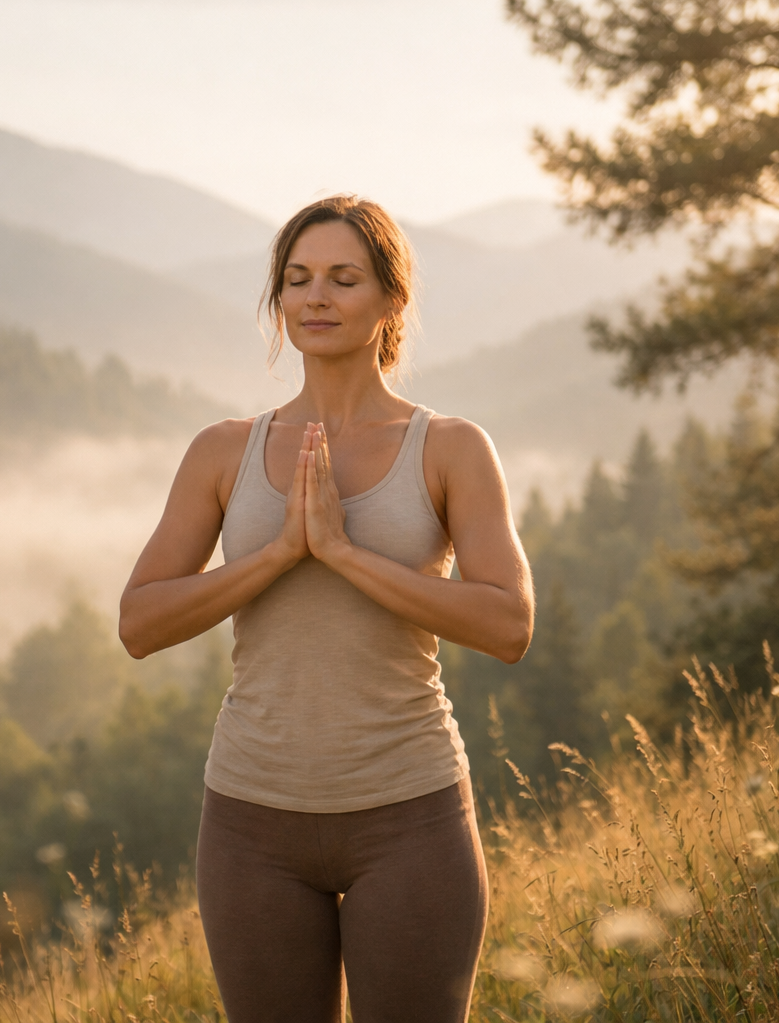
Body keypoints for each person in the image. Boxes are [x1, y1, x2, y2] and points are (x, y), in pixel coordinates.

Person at [119, 194, 534, 1023]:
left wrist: (344, 554)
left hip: (409, 812)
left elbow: (508, 624)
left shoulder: (449, 446)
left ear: (390, 301)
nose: (317, 298)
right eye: (298, 279)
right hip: (250, 820)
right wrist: (279, 555)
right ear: (278, 299)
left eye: (344, 279)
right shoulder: (224, 450)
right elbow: (140, 622)